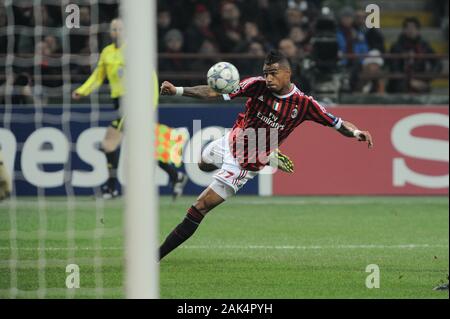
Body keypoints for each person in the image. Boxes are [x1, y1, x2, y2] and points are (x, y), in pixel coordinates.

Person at [158, 51, 373, 260]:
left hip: (245, 164)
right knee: (202, 164)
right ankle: (268, 150)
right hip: (230, 140)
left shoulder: (305, 104)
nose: (268, 78)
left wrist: (356, 132)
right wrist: (177, 90)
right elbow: (214, 92)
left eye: (273, 73)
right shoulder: (256, 85)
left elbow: (337, 123)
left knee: (201, 205)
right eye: (266, 72)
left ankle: (155, 257)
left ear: (288, 73)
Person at [72, 18, 188, 199]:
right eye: (113, 29)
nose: (116, 32)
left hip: (135, 105)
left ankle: (111, 189)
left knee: (108, 144)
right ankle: (176, 176)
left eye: (119, 28)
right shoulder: (107, 52)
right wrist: (82, 91)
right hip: (119, 103)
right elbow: (98, 76)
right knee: (141, 149)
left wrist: (151, 105)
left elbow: (150, 78)